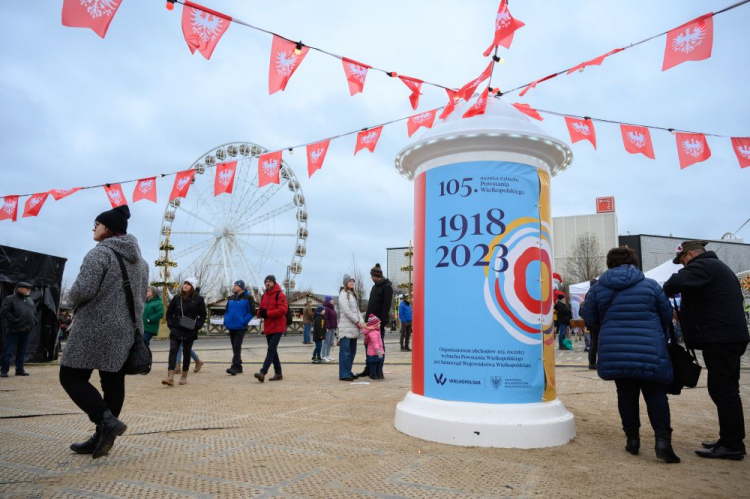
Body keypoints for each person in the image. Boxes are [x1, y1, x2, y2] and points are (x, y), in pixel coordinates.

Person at [59, 205, 148, 459]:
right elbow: (140, 297)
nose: (93, 228)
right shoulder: (141, 262)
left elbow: (82, 290)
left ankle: (104, 422)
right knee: (113, 381)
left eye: (96, 224)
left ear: (107, 228)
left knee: (71, 377)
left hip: (94, 327)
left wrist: (70, 298)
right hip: (126, 329)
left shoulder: (99, 254)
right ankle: (103, 435)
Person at [582, 246, 679, 463]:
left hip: (615, 349)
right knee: (656, 395)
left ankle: (632, 441)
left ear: (609, 264)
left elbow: (590, 320)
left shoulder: (598, 289)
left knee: (625, 394)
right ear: (634, 261)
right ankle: (663, 442)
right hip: (650, 348)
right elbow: (667, 315)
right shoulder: (651, 285)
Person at [663, 240, 750, 460]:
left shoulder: (704, 266)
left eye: (683, 261)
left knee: (724, 390)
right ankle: (730, 439)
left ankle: (732, 445)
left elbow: (673, 284)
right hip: (726, 337)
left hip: (721, 339)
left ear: (690, 255)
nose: (683, 267)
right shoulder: (716, 267)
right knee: (725, 389)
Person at [163, 277, 206, 386]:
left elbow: (202, 315)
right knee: (173, 350)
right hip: (176, 328)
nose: (185, 285)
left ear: (193, 287)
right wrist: (171, 324)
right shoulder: (177, 298)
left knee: (186, 352)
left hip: (190, 329)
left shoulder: (198, 299)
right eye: (184, 283)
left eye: (188, 284)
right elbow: (169, 313)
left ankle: (184, 375)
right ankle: (170, 376)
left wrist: (197, 326)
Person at [359, 264, 393, 378]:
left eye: (371, 275)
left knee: (378, 346)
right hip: (369, 323)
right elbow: (371, 305)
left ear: (375, 275)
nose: (370, 278)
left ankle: (379, 370)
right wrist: (366, 319)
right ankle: (369, 368)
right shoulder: (375, 286)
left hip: (378, 324)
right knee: (369, 346)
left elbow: (386, 306)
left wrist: (381, 323)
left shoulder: (387, 287)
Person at [254, 275, 288, 382]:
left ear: (274, 283)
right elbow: (260, 309)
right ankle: (278, 373)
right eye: (266, 281)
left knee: (271, 349)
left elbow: (283, 310)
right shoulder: (264, 295)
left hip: (278, 326)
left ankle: (262, 372)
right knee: (273, 351)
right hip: (268, 326)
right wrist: (260, 313)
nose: (267, 283)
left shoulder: (280, 294)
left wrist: (267, 314)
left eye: (269, 281)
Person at [1, 282, 36, 377]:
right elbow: (5, 312)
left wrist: (34, 321)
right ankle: (4, 370)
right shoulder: (10, 299)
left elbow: (33, 312)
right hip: (14, 330)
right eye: (27, 288)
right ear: (20, 289)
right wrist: (15, 321)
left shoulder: (29, 300)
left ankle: (19, 370)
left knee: (22, 351)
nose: (29, 290)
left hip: (26, 330)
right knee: (8, 350)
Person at [224, 280, 256, 375]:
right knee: (234, 346)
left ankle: (234, 367)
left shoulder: (248, 297)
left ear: (241, 287)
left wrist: (243, 321)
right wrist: (226, 320)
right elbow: (226, 310)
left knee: (237, 345)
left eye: (235, 285)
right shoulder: (231, 298)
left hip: (240, 326)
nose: (233, 287)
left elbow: (252, 311)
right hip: (231, 326)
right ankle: (239, 366)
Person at [338, 275, 363, 381]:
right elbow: (347, 311)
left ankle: (348, 371)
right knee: (345, 352)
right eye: (350, 281)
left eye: (353, 281)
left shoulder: (352, 295)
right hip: (346, 328)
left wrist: (361, 321)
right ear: (345, 283)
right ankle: (344, 373)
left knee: (352, 352)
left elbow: (357, 311)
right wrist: (357, 321)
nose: (352, 282)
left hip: (353, 328)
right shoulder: (343, 295)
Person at [363, 314, 385, 380]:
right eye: (378, 324)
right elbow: (375, 342)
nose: (380, 325)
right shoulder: (374, 332)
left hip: (374, 351)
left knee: (376, 364)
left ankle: (377, 374)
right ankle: (373, 375)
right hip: (375, 352)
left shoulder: (375, 331)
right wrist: (378, 350)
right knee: (375, 364)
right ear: (374, 325)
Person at [585, 278, 599, 367]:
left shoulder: (588, 294)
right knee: (595, 343)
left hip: (591, 322)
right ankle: (592, 362)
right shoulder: (593, 294)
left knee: (594, 342)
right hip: (595, 322)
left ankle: (592, 362)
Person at [321, 295, 338, 362]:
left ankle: (328, 355)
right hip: (328, 328)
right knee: (326, 342)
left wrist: (335, 326)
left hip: (333, 327)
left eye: (333, 299)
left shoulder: (333, 308)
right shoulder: (326, 308)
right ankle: (323, 356)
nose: (332, 300)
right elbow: (326, 318)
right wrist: (326, 327)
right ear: (328, 300)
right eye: (331, 299)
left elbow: (335, 318)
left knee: (330, 342)